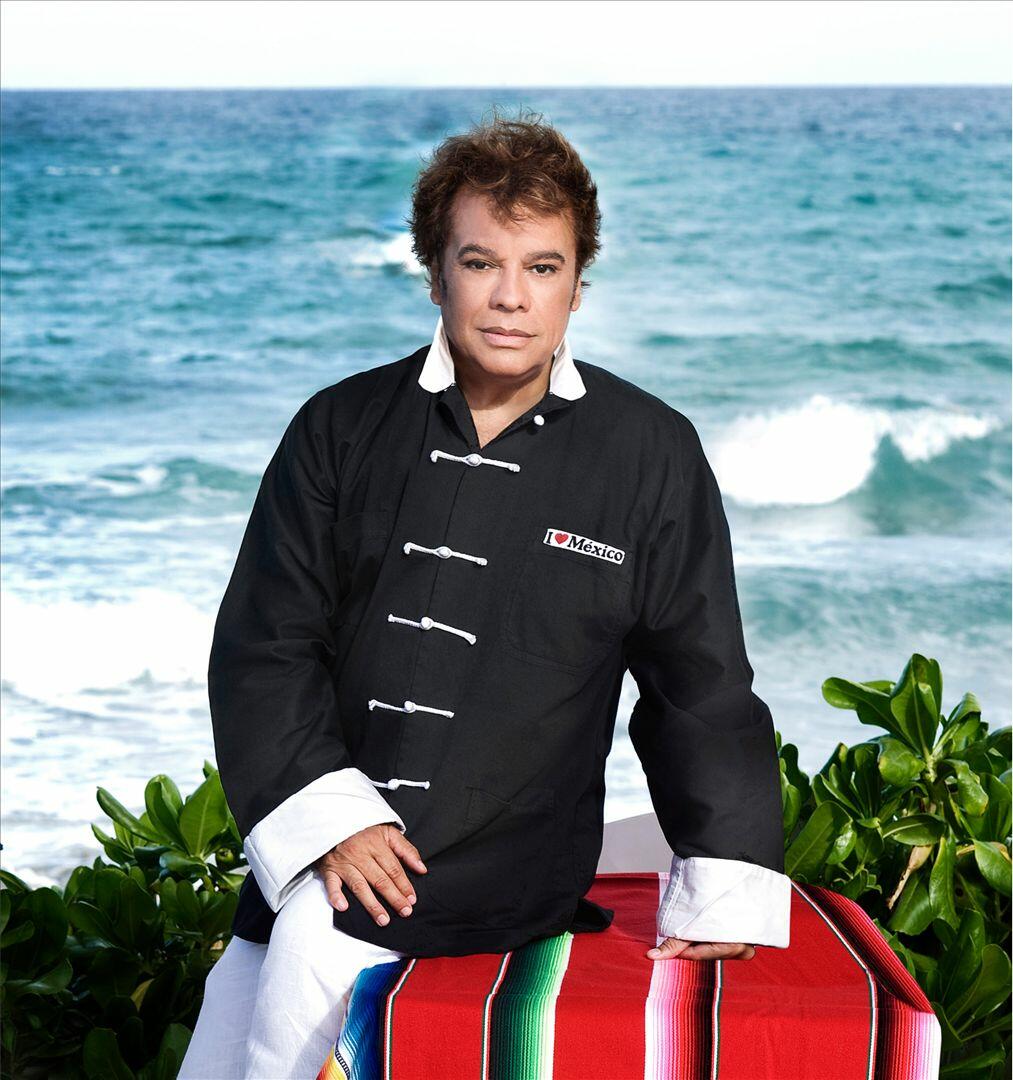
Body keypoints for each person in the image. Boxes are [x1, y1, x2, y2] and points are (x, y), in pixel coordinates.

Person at [179, 110, 791, 1079]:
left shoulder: (651, 453)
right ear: (434, 274)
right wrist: (332, 822)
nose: (510, 298)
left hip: (514, 868)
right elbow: (266, 645)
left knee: (303, 979)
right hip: (337, 851)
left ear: (577, 286)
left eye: (541, 267)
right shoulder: (338, 426)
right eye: (479, 263)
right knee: (240, 1024)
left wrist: (723, 884)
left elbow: (698, 682)